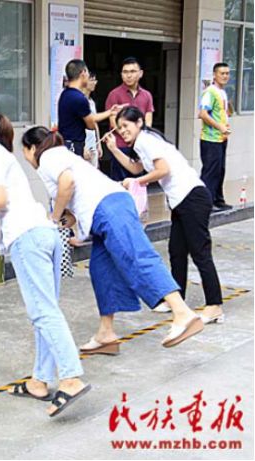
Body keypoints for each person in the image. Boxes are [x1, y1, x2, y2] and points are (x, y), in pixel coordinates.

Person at [0, 103, 90, 417]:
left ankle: (70, 378)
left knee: (43, 312)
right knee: (46, 310)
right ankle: (40, 381)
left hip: (27, 237)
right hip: (44, 232)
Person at [21, 126, 204, 354]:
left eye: (24, 152)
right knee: (102, 270)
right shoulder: (62, 155)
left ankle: (182, 313)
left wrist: (54, 217)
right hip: (106, 209)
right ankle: (105, 334)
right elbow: (76, 197)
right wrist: (67, 218)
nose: (25, 158)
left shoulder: (48, 156)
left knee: (136, 256)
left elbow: (67, 184)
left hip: (109, 207)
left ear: (32, 148)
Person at [107, 106, 224, 325]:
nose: (122, 131)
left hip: (192, 197)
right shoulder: (143, 142)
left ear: (139, 122)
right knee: (177, 252)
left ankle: (215, 305)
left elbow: (163, 170)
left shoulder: (146, 140)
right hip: (181, 201)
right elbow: (136, 168)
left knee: (200, 252)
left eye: (125, 125)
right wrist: (114, 149)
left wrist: (136, 182)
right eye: (119, 128)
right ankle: (176, 300)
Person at [105, 57, 155, 181]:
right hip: (120, 146)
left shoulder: (147, 95)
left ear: (140, 73)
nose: (128, 75)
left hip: (139, 146)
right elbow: (113, 122)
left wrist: (140, 138)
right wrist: (128, 135)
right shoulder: (114, 94)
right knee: (120, 183)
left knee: (138, 182)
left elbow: (148, 120)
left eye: (132, 71)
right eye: (125, 72)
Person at [199, 62, 233, 211]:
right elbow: (203, 114)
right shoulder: (210, 92)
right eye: (222, 73)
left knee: (220, 170)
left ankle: (218, 200)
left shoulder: (222, 92)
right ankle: (206, 203)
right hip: (210, 139)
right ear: (214, 75)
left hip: (221, 139)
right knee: (210, 172)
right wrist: (220, 127)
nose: (225, 76)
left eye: (227, 73)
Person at [81, 72, 125, 168]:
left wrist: (99, 144)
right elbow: (78, 125)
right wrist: (83, 147)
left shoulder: (91, 102)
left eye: (95, 80)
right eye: (92, 80)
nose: (95, 83)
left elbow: (94, 123)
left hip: (93, 143)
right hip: (84, 145)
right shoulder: (79, 101)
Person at [56, 59, 96, 157]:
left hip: (68, 143)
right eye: (88, 72)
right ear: (83, 73)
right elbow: (91, 125)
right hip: (74, 145)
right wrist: (109, 113)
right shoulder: (78, 98)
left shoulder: (65, 94)